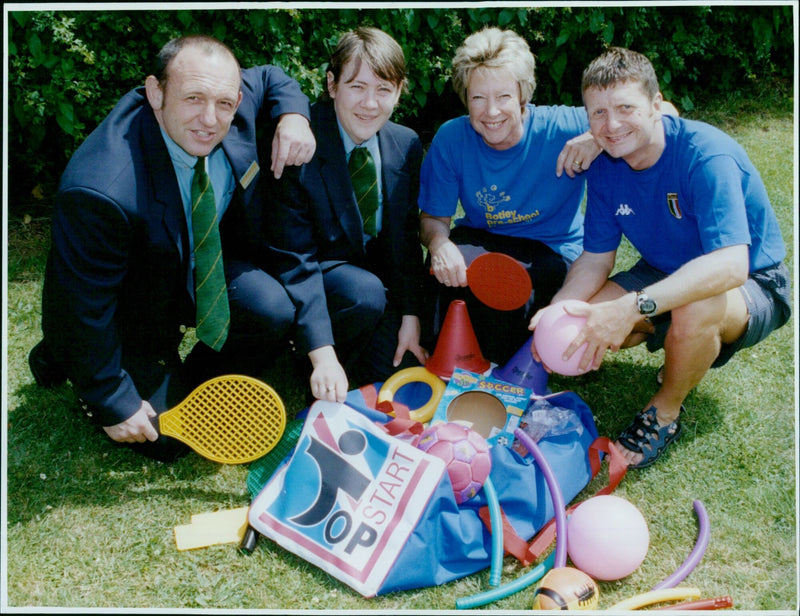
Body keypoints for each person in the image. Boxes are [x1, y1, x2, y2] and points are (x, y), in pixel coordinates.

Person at [29, 34, 316, 460]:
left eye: (224, 103)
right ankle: (65, 356)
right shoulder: (100, 189)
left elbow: (273, 78)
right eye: (193, 99)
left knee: (271, 309)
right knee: (169, 440)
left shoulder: (228, 97)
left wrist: (295, 115)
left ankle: (190, 381)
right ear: (155, 92)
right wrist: (111, 398)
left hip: (194, 263)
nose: (210, 119)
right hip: (130, 298)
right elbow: (84, 303)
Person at [529, 47, 791, 469]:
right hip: (664, 271)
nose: (611, 125)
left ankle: (664, 413)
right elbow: (596, 258)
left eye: (625, 108)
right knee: (580, 323)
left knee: (695, 304)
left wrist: (631, 307)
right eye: (597, 113)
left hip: (751, 281)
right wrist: (558, 313)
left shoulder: (706, 154)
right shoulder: (606, 165)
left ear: (656, 106)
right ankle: (673, 338)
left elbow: (730, 265)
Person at [418, 27, 604, 366]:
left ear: (522, 94)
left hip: (550, 248)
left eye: (503, 97)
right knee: (440, 276)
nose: (491, 112)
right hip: (484, 240)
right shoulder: (451, 138)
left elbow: (660, 114)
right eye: (478, 98)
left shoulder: (563, 127)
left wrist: (598, 138)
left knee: (510, 303)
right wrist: (439, 245)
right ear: (465, 98)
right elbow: (433, 219)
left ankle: (501, 352)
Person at [265, 27, 429, 403]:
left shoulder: (405, 144)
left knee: (403, 379)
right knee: (364, 294)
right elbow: (296, 260)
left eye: (384, 90)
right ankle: (307, 355)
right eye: (357, 86)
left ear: (400, 91)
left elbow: (404, 239)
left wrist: (409, 316)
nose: (370, 104)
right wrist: (323, 353)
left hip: (371, 288)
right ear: (332, 84)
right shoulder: (301, 142)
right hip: (313, 282)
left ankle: (352, 356)